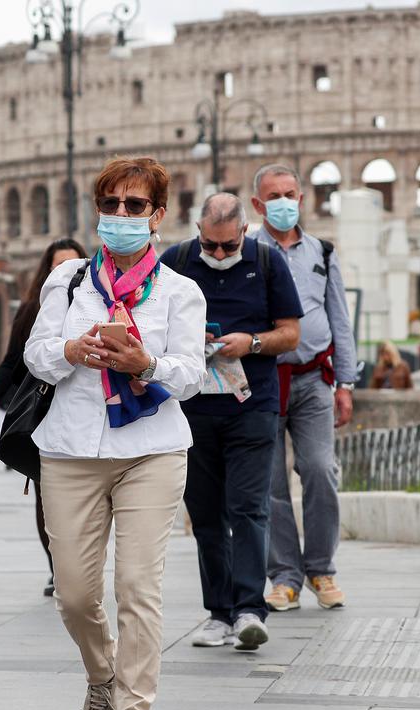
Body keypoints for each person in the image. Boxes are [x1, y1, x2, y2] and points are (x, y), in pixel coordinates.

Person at [24, 157, 206, 710]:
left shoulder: (181, 290)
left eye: (134, 206)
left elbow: (191, 374)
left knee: (137, 586)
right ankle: (101, 674)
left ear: (158, 215)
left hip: (150, 449)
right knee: (75, 594)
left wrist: (144, 365)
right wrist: (73, 349)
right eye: (110, 205)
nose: (120, 216)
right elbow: (37, 355)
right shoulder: (68, 281)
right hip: (71, 448)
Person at [160, 194, 302, 652]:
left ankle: (248, 610)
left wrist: (252, 342)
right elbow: (149, 321)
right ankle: (217, 613)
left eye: (227, 245)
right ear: (197, 231)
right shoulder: (177, 260)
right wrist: (185, 338)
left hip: (252, 406)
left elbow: (290, 333)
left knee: (248, 508)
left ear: (244, 232)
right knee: (205, 515)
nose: (218, 254)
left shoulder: (267, 261)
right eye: (210, 244)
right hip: (193, 407)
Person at [249, 163, 359, 614]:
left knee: (319, 469)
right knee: (270, 483)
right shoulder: (246, 251)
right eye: (272, 195)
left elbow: (339, 319)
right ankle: (285, 578)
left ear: (302, 198)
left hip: (314, 378)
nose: (282, 202)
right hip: (262, 380)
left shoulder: (323, 252)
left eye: (289, 193)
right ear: (258, 205)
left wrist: (347, 383)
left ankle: (321, 568)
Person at [0, 237, 88, 597]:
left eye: (72, 266)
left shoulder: (97, 307)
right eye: (56, 267)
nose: (63, 273)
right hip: (43, 414)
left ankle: (80, 569)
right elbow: (13, 361)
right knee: (46, 495)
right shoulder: (32, 310)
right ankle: (57, 568)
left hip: (86, 413)